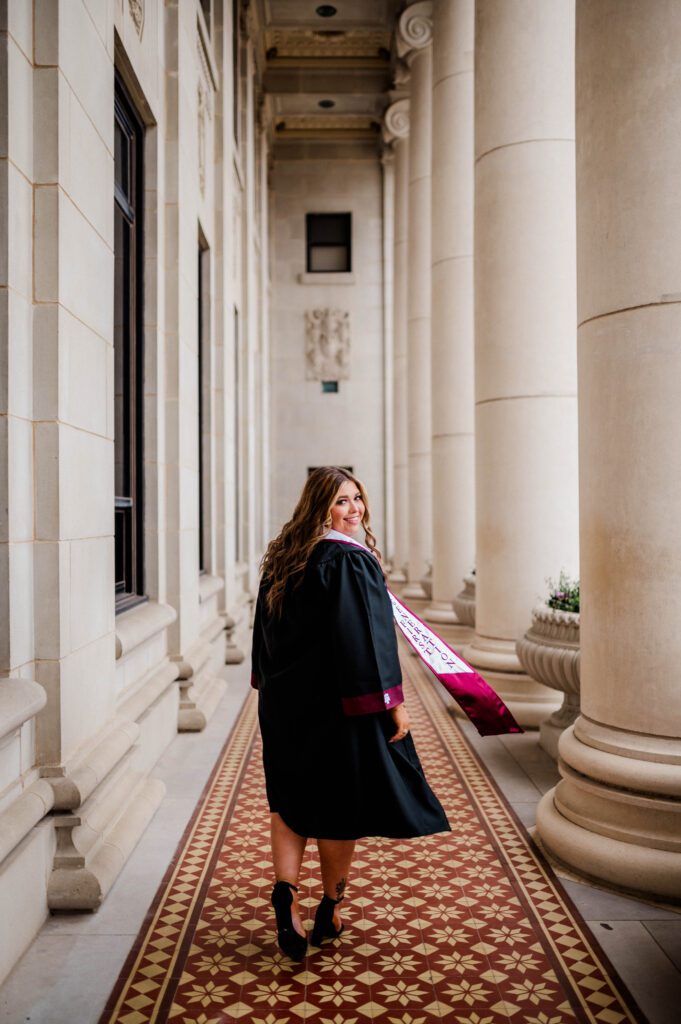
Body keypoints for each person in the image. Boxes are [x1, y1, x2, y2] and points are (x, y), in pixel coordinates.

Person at [251, 466, 450, 961]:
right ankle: (329, 909)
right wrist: (392, 706)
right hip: (339, 706)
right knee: (337, 808)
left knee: (291, 800)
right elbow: (368, 641)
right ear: (320, 506)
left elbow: (264, 638)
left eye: (357, 498)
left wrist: (268, 687)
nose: (355, 509)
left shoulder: (283, 559)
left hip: (284, 704)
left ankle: (285, 896)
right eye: (342, 501)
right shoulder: (349, 561)